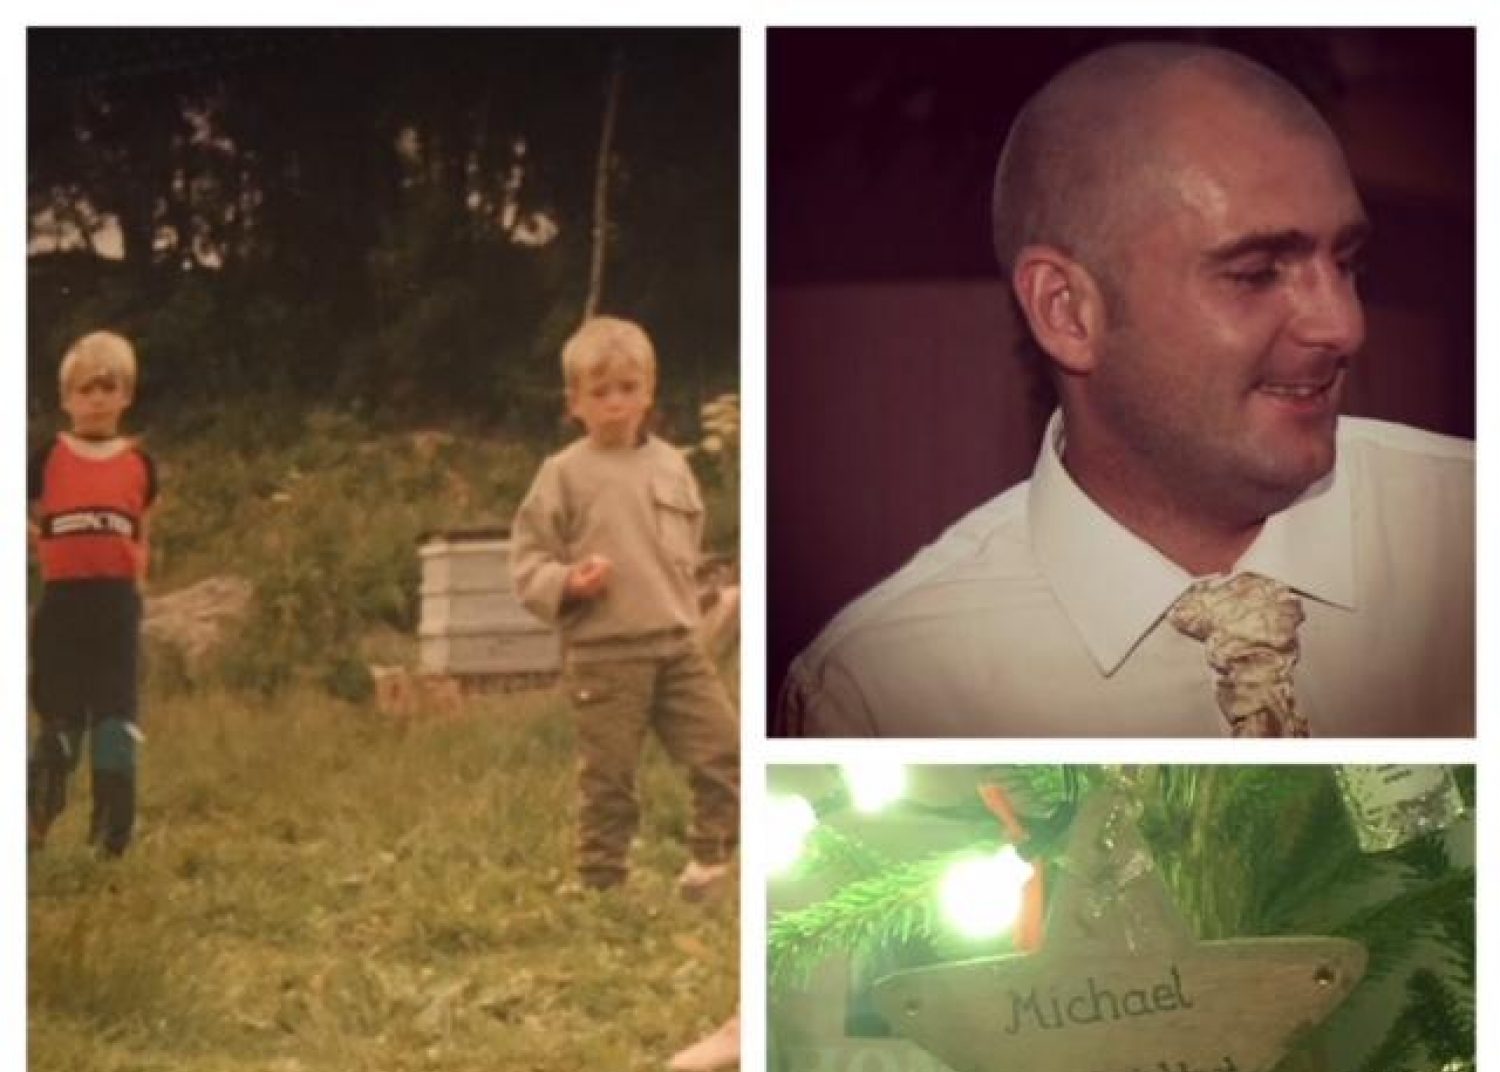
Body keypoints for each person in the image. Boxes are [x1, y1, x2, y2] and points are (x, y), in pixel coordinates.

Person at [779, 43, 1473, 738]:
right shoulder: (885, 691)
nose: (1343, 325)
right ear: (1067, 312)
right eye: (1256, 273)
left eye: (1347, 262)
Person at [511, 316, 739, 893]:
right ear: (575, 403)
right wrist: (569, 581)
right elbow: (528, 562)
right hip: (604, 655)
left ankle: (711, 861)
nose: (615, 403)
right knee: (609, 777)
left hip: (678, 646)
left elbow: (686, 550)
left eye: (628, 389)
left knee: (723, 749)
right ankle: (602, 882)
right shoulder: (562, 475)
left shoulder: (672, 466)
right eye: (600, 392)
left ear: (649, 393)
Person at [28, 329, 158, 855]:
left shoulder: (140, 464)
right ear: (67, 399)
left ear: (126, 395)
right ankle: (32, 820)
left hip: (117, 608)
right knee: (59, 722)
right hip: (62, 605)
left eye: (109, 387)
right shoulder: (47, 458)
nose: (98, 399)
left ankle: (110, 839)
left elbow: (143, 531)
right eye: (86, 389)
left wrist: (139, 583)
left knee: (114, 725)